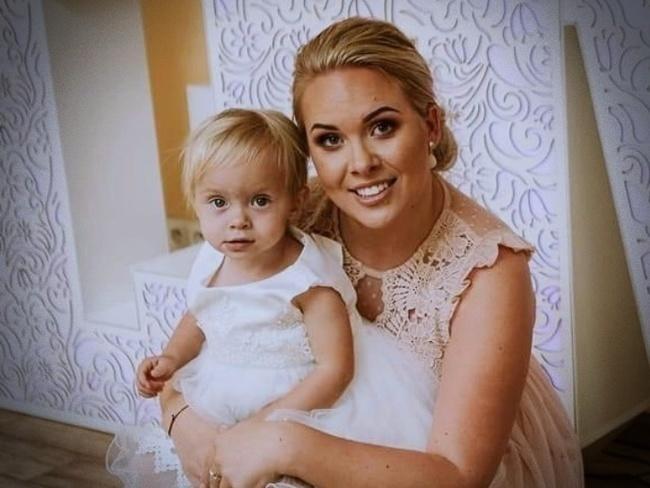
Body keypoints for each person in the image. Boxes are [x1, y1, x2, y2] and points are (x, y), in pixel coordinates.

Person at [157, 17, 584, 488]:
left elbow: (460, 475)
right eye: (330, 140)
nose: (360, 164)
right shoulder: (290, 214)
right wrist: (181, 420)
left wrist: (283, 442)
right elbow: (216, 331)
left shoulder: (489, 271)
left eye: (382, 127)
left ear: (431, 125)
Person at [108, 107, 443, 487]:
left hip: (300, 404)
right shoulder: (210, 258)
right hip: (221, 391)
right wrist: (171, 358)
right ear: (195, 202)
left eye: (260, 201)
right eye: (218, 202)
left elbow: (335, 369)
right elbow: (201, 315)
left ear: (295, 201)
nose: (238, 220)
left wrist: (265, 426)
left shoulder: (307, 280)